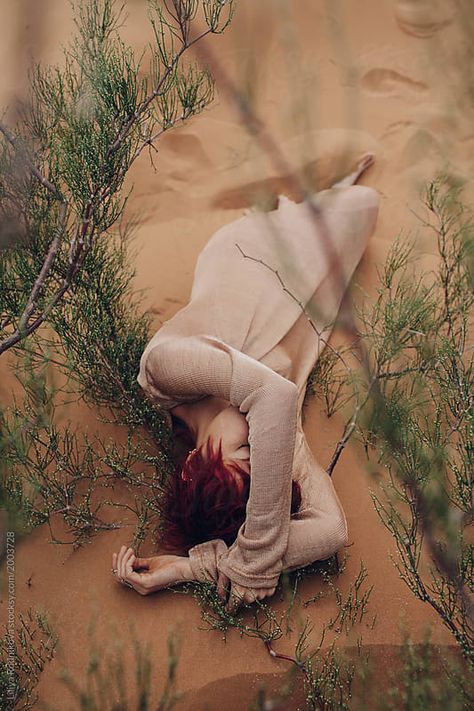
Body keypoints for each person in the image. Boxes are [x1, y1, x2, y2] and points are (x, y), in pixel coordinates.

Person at [111, 154, 380, 613]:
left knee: (348, 204)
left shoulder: (165, 372)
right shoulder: (269, 447)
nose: (262, 444)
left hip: (248, 256)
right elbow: (332, 529)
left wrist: (256, 556)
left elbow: (275, 395)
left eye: (244, 450)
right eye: (261, 462)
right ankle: (313, 207)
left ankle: (292, 211)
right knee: (363, 204)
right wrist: (194, 566)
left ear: (195, 456)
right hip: (309, 300)